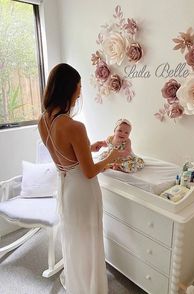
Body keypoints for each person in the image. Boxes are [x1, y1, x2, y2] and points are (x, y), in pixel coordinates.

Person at [38, 63, 124, 294]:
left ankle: (78, 279)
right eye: (79, 86)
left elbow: (64, 155)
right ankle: (91, 287)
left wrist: (90, 147)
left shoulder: (43, 121)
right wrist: (111, 156)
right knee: (90, 236)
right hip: (82, 190)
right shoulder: (75, 126)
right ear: (70, 89)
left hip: (65, 186)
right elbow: (88, 171)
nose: (80, 92)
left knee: (74, 236)